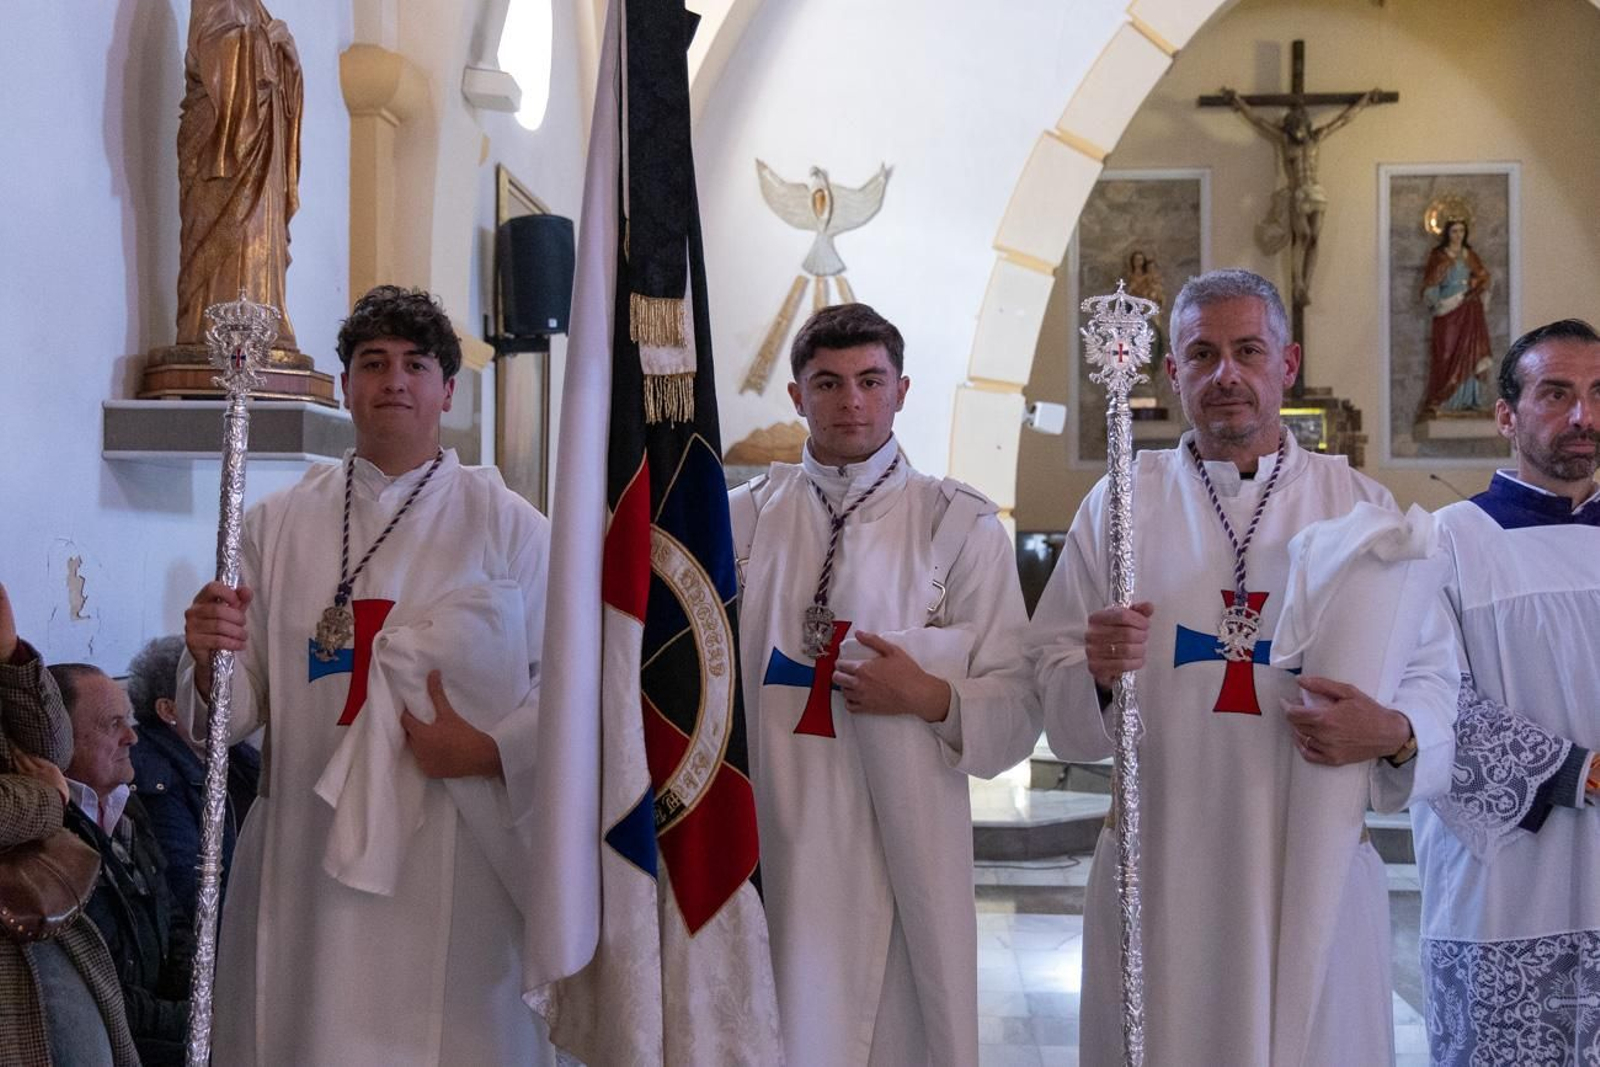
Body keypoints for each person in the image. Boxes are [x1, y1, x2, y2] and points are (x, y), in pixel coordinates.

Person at [1028, 269, 1459, 1066]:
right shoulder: (1121, 503)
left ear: (1286, 364)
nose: (1226, 373)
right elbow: (1050, 667)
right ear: (1172, 373)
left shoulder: (1359, 509)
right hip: (1160, 863)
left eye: (1247, 350)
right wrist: (1094, 670)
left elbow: (1434, 678)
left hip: (1311, 857)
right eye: (1202, 353)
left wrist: (1394, 731)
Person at [179, 286, 554, 1065]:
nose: (394, 381)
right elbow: (235, 712)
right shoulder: (274, 524)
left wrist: (488, 748)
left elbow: (569, 694)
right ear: (346, 386)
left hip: (456, 864)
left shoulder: (510, 524)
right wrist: (210, 657)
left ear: (448, 391)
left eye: (417, 365)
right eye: (373, 363)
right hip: (304, 859)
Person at [730, 302, 1042, 1066]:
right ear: (797, 396)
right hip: (771, 838)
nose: (852, 402)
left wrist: (932, 697)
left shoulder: (959, 527)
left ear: (903, 391)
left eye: (871, 381)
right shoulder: (739, 522)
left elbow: (1019, 703)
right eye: (828, 383)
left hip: (899, 858)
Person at [1413, 319, 1600, 1065]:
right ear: (1505, 416)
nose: (1583, 416)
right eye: (1556, 393)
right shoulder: (1445, 542)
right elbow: (1432, 707)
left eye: (1596, 394)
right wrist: (1579, 770)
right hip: (1505, 900)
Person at [0, 583, 138, 1067]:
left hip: (34, 905)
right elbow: (53, 775)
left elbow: (54, 749)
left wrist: (12, 655)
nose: (132, 738)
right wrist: (48, 797)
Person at [50, 662, 192, 1067]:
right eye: (113, 724)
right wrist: (196, 1018)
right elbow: (100, 989)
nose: (132, 737)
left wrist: (200, 997)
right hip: (114, 1040)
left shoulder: (126, 807)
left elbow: (176, 920)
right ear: (60, 740)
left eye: (128, 721)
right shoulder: (50, 843)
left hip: (160, 1023)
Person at [126, 635, 259, 920]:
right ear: (168, 710)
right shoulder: (153, 775)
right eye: (210, 691)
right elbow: (189, 887)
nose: (229, 702)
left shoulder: (237, 756)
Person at [1218, 87, 1385, 307]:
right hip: (1298, 193)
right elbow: (1258, 121)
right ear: (1289, 126)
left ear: (1305, 125)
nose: (1298, 128)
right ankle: (1297, 282)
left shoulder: (1317, 137)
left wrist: (1364, 101)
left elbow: (1343, 120)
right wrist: (1238, 103)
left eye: (1300, 124)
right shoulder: (1285, 141)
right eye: (1293, 124)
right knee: (1303, 236)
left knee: (1314, 238)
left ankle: (1307, 284)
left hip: (1316, 192)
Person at [1416, 219, 1494, 420]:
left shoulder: (1470, 255)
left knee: (1471, 350)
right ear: (1447, 234)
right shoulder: (1439, 256)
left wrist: (1477, 284)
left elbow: (1484, 277)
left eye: (1461, 231)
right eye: (1454, 231)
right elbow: (1431, 283)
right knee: (1446, 353)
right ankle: (1444, 399)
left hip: (1469, 308)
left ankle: (1469, 400)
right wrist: (1434, 299)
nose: (1458, 235)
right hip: (1448, 311)